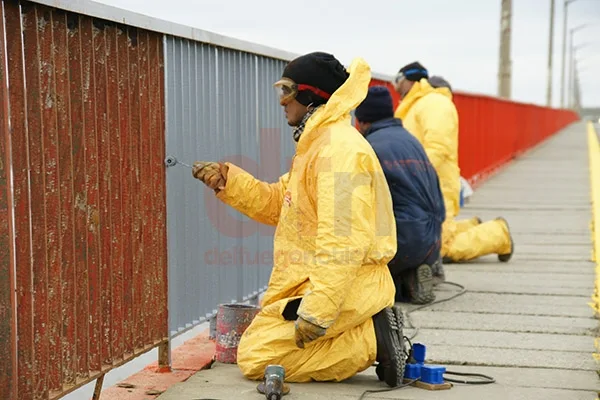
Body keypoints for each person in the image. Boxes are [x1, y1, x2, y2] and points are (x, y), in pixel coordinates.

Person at [192, 52, 407, 387]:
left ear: (311, 95)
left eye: (287, 91)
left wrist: (318, 311)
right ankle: (369, 332)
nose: (282, 102)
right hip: (322, 281)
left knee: (256, 355)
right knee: (259, 343)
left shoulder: (338, 152)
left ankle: (371, 340)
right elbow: (282, 203)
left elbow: (344, 240)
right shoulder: (318, 144)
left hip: (349, 285)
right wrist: (227, 181)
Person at [393, 61, 514, 266]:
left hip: (434, 187)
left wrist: (411, 177)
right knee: (429, 239)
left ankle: (498, 234)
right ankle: (471, 226)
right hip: (424, 186)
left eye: (397, 80)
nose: (395, 87)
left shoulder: (434, 103)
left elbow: (437, 148)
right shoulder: (416, 105)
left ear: (410, 79)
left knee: (440, 249)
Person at [354, 86, 445, 305]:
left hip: (402, 243)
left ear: (363, 121)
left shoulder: (368, 147)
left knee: (361, 279)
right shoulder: (412, 141)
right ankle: (416, 270)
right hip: (433, 239)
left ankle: (404, 281)